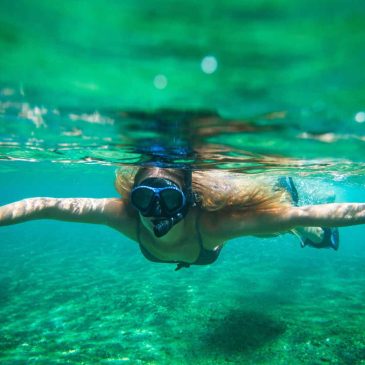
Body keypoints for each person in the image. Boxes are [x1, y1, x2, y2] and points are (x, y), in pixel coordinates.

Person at [1, 165, 363, 271]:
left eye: (169, 198)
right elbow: (43, 204)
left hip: (210, 246)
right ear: (132, 199)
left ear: (186, 201)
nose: (156, 212)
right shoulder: (124, 215)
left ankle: (297, 212)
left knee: (292, 223)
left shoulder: (213, 224)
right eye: (145, 198)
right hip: (194, 252)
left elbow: (306, 212)